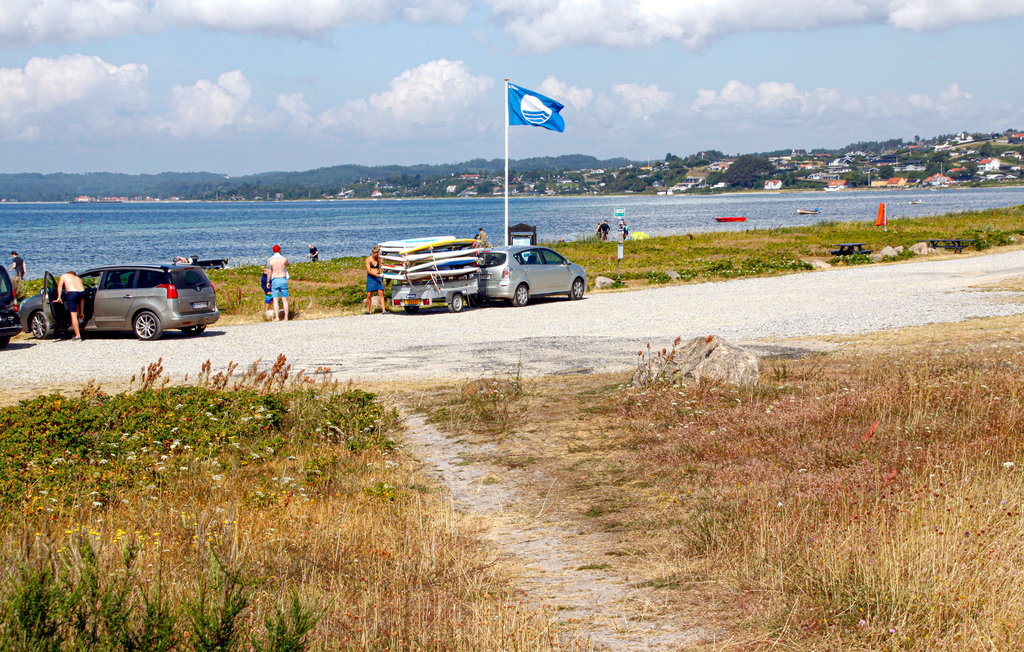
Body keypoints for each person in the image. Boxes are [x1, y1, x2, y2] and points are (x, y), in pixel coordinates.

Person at [54, 270, 86, 341]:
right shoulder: (78, 278)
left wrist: (59, 297)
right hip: (82, 292)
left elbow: (59, 285)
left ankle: (78, 336)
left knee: (73, 315)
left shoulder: (64, 275)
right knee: (79, 301)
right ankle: (81, 313)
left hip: (72, 293)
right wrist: (82, 311)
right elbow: (81, 298)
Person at [267, 245, 290, 321]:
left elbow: (270, 271)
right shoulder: (284, 259)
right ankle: (286, 317)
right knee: (284, 299)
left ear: (273, 251)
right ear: (279, 250)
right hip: (283, 279)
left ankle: (277, 317)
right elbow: (287, 264)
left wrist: (268, 281)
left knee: (275, 300)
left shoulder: (270, 260)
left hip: (275, 280)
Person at [364, 245, 386, 314]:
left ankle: (383, 310)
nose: (376, 255)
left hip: (378, 277)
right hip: (371, 277)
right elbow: (369, 271)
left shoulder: (379, 259)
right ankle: (368, 310)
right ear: (373, 253)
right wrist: (377, 275)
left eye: (378, 254)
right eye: (376, 254)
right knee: (369, 294)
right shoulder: (368, 259)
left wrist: (382, 268)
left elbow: (382, 266)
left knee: (381, 293)